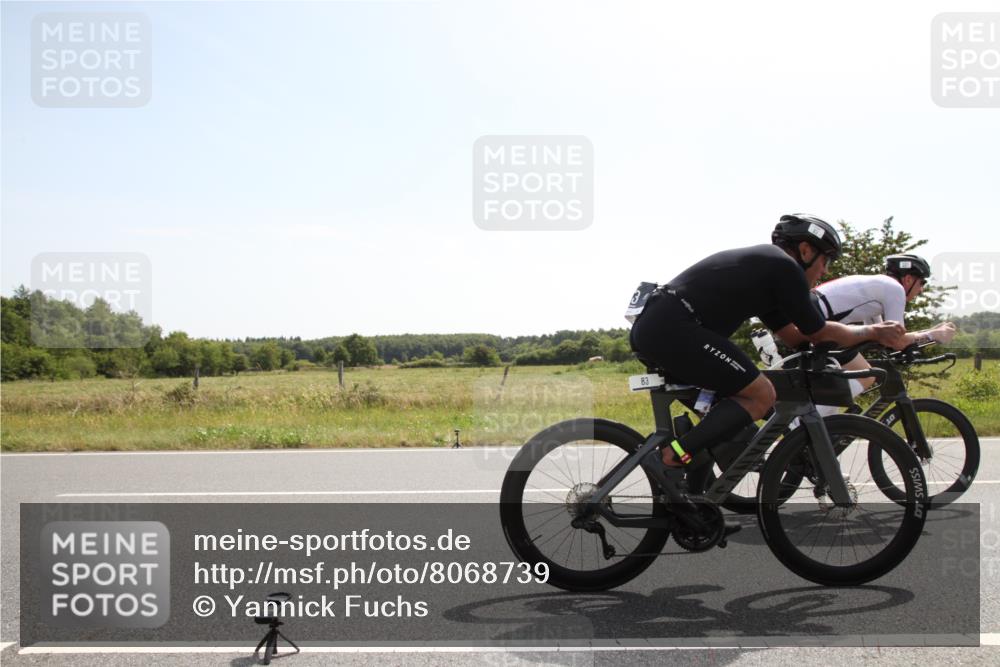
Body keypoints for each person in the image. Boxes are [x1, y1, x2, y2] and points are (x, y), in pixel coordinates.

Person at [629, 214, 906, 468]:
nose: (825, 270)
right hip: (674, 328)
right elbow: (817, 330)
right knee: (761, 394)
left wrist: (845, 347)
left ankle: (696, 492)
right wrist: (872, 332)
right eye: (826, 260)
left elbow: (797, 337)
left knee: (730, 413)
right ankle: (674, 455)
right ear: (806, 251)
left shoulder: (768, 275)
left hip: (662, 327)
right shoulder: (785, 268)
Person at [773, 253, 957, 410]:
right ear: (908, 279)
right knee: (866, 375)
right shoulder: (895, 289)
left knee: (854, 376)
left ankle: (811, 424)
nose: (921, 289)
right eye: (921, 282)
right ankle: (806, 425)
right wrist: (935, 336)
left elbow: (884, 338)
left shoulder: (879, 288)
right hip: (817, 321)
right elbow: (897, 341)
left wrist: (928, 333)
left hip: (809, 315)